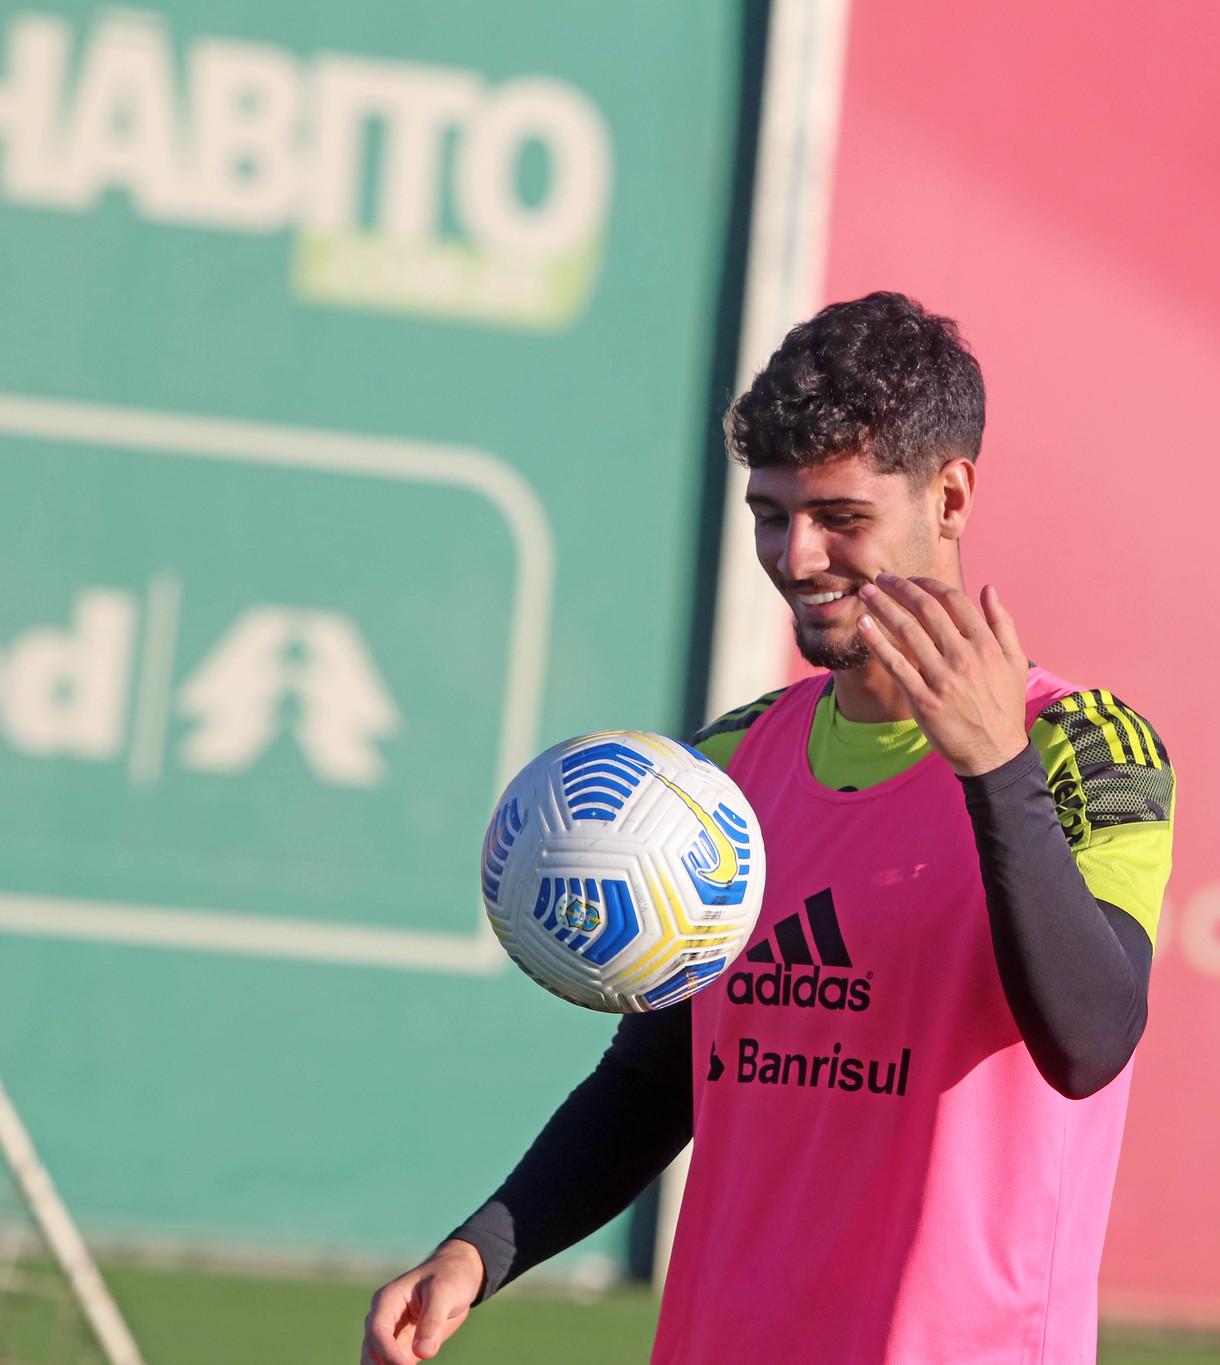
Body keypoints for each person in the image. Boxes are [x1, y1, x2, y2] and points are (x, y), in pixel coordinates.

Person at [360, 291, 1175, 1364]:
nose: (796, 557)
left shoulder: (1085, 749)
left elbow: (1089, 1042)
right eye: (770, 514)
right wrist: (482, 1249)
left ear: (950, 496)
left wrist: (993, 766)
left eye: (840, 517)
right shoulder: (727, 767)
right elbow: (656, 1080)